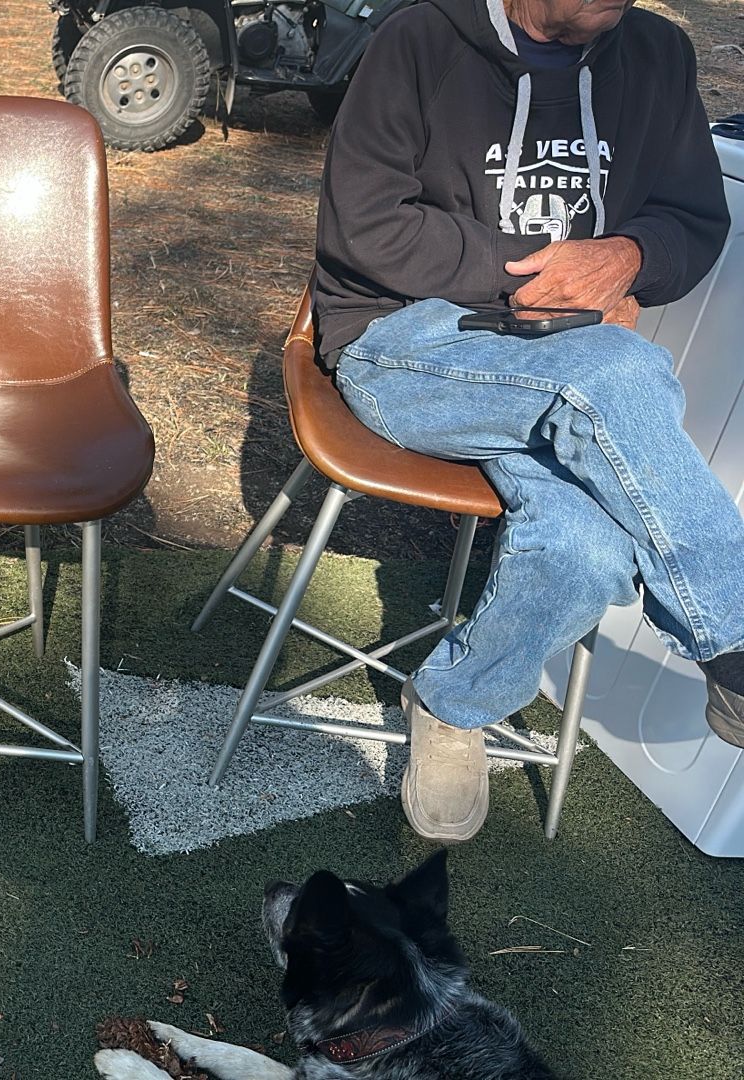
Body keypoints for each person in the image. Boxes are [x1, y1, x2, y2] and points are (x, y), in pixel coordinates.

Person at [312, 0, 739, 840]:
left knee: (589, 546)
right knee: (620, 371)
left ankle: (452, 702)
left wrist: (629, 259)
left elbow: (693, 217)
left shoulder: (657, 54)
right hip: (401, 335)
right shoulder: (420, 38)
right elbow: (368, 222)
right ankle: (731, 642)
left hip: (569, 358)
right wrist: (538, 279)